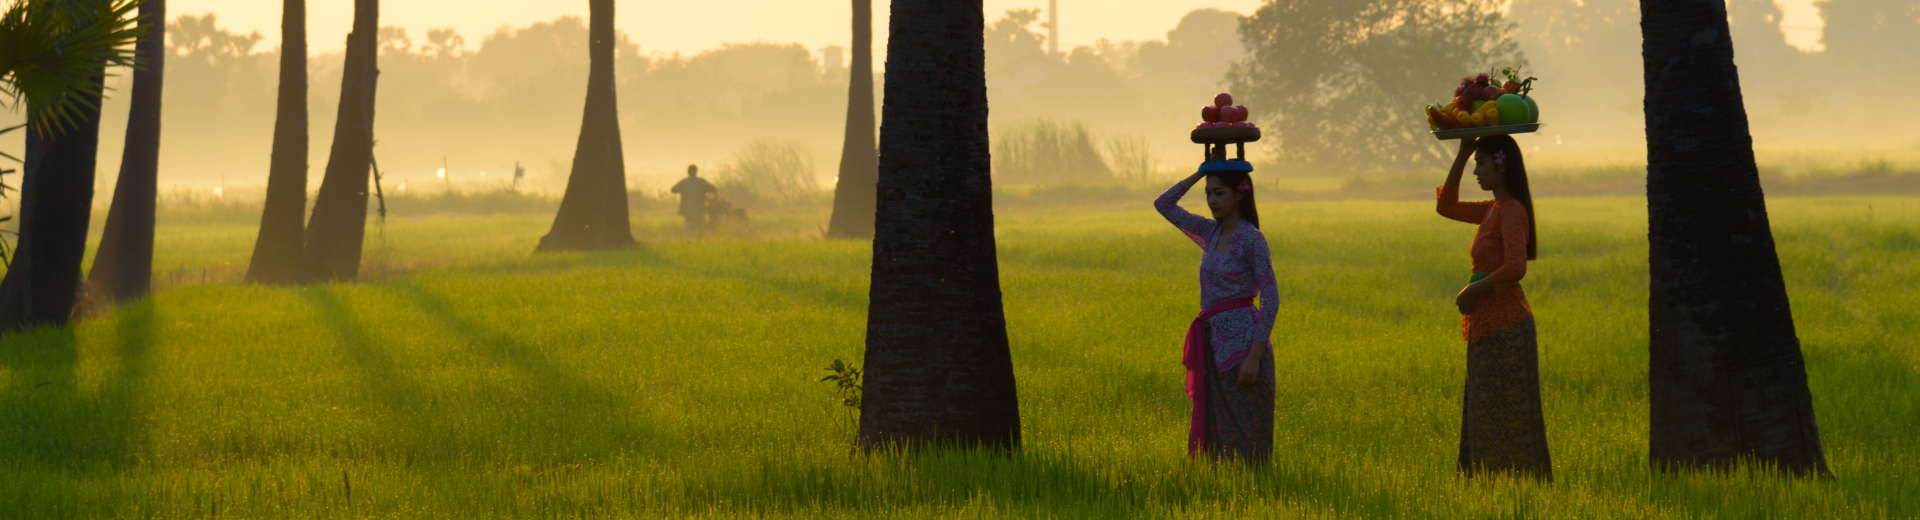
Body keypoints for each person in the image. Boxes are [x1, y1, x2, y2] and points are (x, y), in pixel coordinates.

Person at [1435, 135, 1552, 481]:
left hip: (1507, 322)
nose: (1475, 171)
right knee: (1484, 410)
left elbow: (1516, 267)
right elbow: (1447, 207)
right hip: (1486, 323)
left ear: (1501, 164)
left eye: (1481, 162)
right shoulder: (1491, 209)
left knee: (1509, 413)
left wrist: (1474, 289)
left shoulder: (1512, 210)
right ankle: (1487, 485)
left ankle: (1518, 485)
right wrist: (1461, 154)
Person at [1154, 147, 1280, 464]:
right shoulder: (1210, 232)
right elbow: (1163, 204)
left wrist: (1254, 356)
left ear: (1240, 193)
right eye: (1208, 193)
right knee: (1219, 440)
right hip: (1213, 347)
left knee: (1249, 439)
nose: (1211, 200)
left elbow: (1271, 298)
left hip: (1244, 351)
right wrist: (1202, 171)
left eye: (1219, 192)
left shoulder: (1252, 239)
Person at [670, 164, 717, 238]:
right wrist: (714, 199)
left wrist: (681, 190)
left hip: (687, 209)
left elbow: (673, 190)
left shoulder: (684, 182)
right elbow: (713, 188)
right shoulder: (701, 182)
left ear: (688, 172)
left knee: (689, 227)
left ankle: (691, 241)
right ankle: (699, 241)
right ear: (696, 172)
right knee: (700, 227)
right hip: (699, 209)